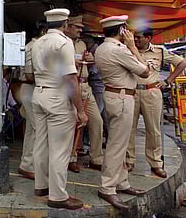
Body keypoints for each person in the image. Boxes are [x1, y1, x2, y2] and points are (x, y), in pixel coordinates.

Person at [31, 8, 88, 210]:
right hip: (57, 96)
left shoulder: (37, 43)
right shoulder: (64, 43)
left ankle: (41, 186)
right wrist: (80, 110)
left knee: (41, 144)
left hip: (38, 94)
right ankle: (57, 196)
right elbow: (71, 79)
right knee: (60, 150)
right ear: (65, 24)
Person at [95, 15, 150, 210]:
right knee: (117, 144)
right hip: (121, 98)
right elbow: (145, 71)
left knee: (120, 142)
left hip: (113, 95)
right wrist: (133, 47)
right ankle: (108, 187)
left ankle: (122, 182)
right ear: (121, 30)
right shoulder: (119, 50)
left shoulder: (101, 48)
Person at [126, 27, 186, 178]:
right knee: (128, 129)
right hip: (131, 92)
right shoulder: (128, 49)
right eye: (135, 37)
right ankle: (129, 160)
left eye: (139, 37)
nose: (136, 40)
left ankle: (155, 164)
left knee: (153, 130)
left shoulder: (160, 51)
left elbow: (182, 63)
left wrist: (168, 81)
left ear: (149, 38)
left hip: (151, 92)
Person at [65, 15, 104, 173]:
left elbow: (90, 63)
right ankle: (70, 158)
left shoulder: (82, 44)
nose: (80, 30)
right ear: (68, 27)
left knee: (97, 121)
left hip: (85, 86)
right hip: (69, 86)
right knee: (72, 124)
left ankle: (97, 158)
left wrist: (91, 58)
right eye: (77, 27)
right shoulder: (62, 43)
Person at [17, 19, 47, 180]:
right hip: (30, 88)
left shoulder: (37, 46)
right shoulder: (32, 47)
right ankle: (29, 165)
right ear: (42, 31)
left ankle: (27, 163)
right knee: (37, 128)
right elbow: (29, 75)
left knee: (31, 128)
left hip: (33, 88)